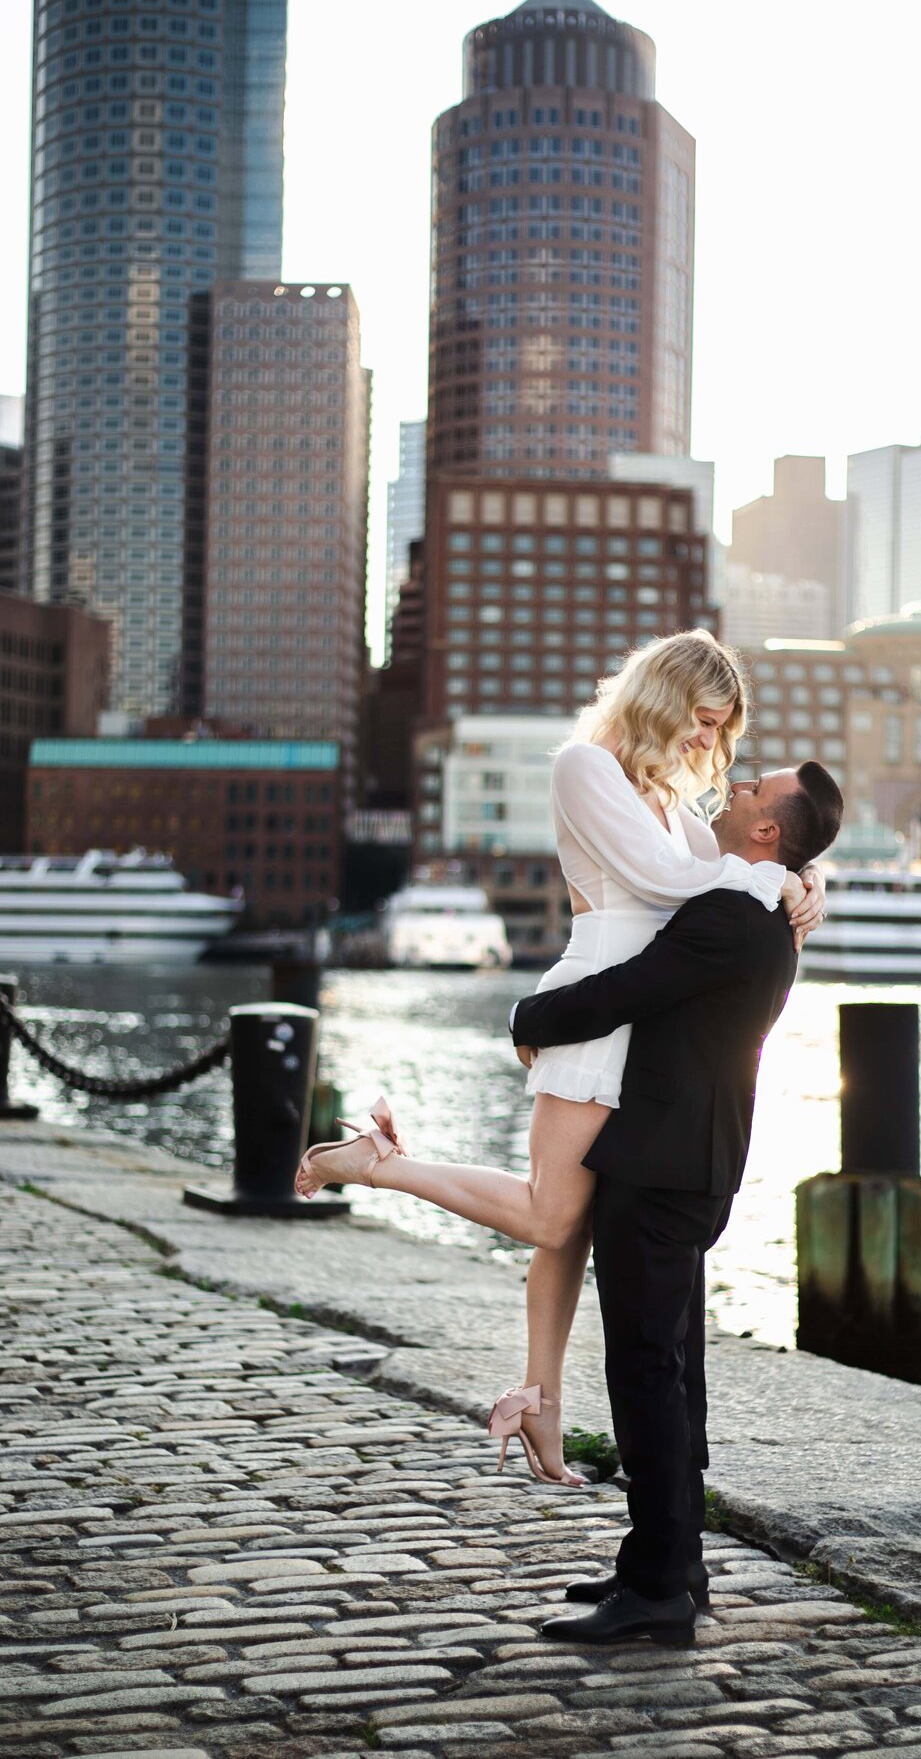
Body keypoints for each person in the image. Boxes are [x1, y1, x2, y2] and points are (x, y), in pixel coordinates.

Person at [294, 631, 826, 1481]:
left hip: (643, 1017)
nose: (706, 743)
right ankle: (376, 1163)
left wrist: (803, 875)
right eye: (700, 719)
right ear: (660, 695)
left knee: (575, 1229)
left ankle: (540, 1403)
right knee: (551, 1214)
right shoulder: (588, 768)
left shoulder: (670, 803)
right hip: (593, 1005)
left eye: (719, 730)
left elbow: (731, 859)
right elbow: (666, 883)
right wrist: (778, 883)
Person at [515, 759, 845, 1647]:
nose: (734, 788)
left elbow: (627, 989)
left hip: (662, 1169)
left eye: (751, 789)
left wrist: (528, 1016)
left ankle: (660, 1588)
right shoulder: (761, 906)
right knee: (676, 1373)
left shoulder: (733, 913)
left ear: (769, 829)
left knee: (647, 1372)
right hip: (692, 1164)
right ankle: (669, 1564)